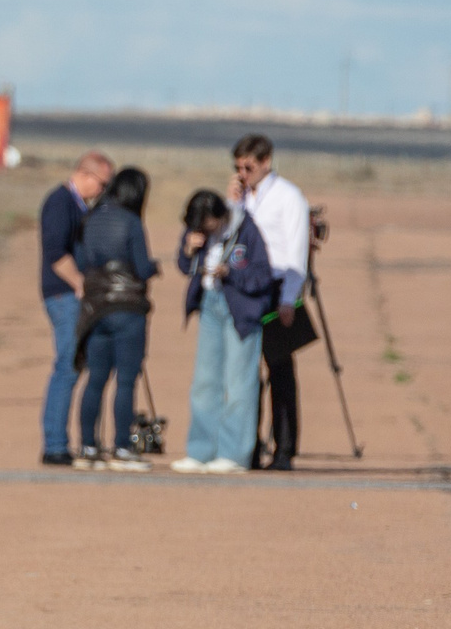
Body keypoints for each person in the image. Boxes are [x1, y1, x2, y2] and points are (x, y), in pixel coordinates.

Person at [173, 188, 277, 475]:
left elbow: (262, 276)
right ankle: (200, 451)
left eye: (205, 226)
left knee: (239, 382)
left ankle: (233, 454)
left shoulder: (246, 229)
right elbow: (184, 266)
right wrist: (188, 250)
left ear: (219, 217)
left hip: (240, 312)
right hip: (210, 306)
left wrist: (230, 274)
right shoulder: (198, 231)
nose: (201, 231)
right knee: (205, 381)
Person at [232, 134, 311, 470]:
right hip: (247, 288)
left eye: (248, 167)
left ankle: (284, 448)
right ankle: (247, 446)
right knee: (246, 373)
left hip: (279, 287)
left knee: (279, 371)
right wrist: (233, 201)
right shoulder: (242, 198)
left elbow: (297, 251)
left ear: (265, 162)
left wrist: (289, 298)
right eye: (237, 167)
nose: (242, 173)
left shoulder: (288, 197)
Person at [71, 167, 157, 471]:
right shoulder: (132, 222)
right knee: (125, 381)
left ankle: (87, 446)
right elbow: (142, 268)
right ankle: (122, 448)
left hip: (96, 311)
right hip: (128, 309)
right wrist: (154, 268)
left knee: (95, 380)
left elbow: (81, 262)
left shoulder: (90, 219)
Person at [36, 152, 114, 466]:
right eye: (102, 184)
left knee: (74, 366)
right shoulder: (59, 202)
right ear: (85, 175)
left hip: (71, 296)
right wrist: (80, 284)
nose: (103, 191)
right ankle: (54, 444)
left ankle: (62, 441)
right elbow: (55, 253)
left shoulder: (80, 206)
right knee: (66, 367)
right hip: (63, 296)